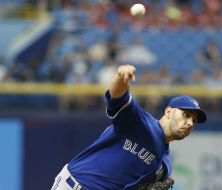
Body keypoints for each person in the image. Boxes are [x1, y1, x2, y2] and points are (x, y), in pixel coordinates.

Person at [51, 64, 207, 190]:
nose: (190, 123)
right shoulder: (139, 122)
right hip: (75, 185)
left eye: (194, 120)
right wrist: (121, 77)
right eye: (186, 115)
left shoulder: (164, 166)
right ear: (168, 111)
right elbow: (117, 96)